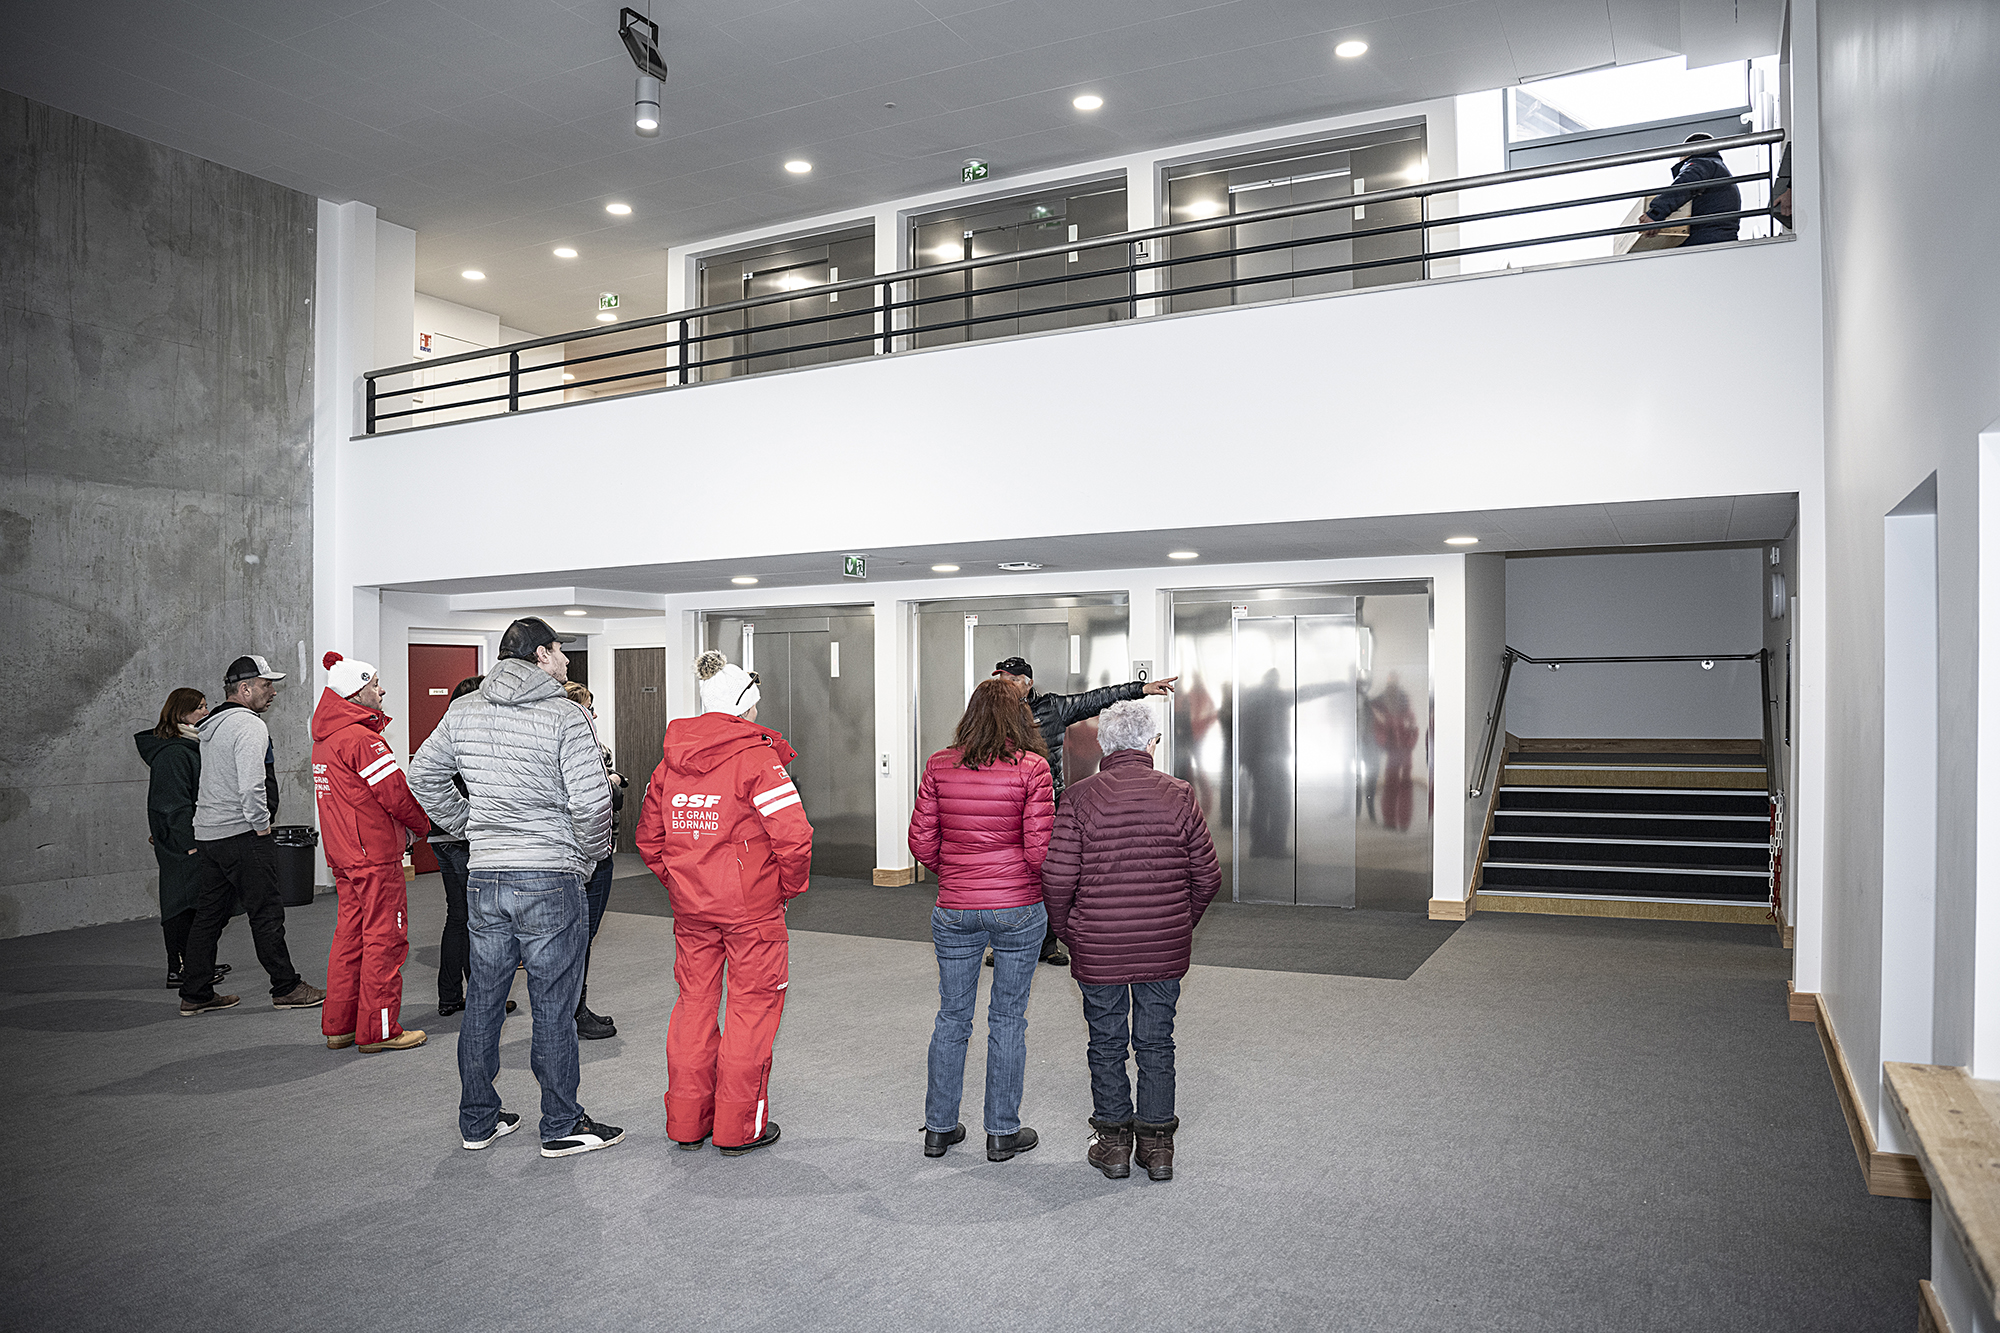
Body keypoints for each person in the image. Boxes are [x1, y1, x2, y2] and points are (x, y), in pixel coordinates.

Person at [410, 617, 619, 1157]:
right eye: (561, 651)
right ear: (542, 656)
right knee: (552, 1002)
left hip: (486, 876)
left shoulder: (464, 709)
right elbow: (594, 803)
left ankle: (477, 1120)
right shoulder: (565, 715)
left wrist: (465, 825)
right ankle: (561, 1124)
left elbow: (422, 775)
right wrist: (589, 854)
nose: (568, 661)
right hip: (549, 875)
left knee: (483, 998)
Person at [636, 651, 812, 1157]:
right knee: (752, 1010)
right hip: (751, 911)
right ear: (743, 707)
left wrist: (681, 882)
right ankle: (739, 1129)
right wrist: (785, 889)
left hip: (692, 910)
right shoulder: (757, 757)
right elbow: (794, 838)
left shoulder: (670, 760)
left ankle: (687, 1123)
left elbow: (649, 838)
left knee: (693, 1006)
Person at [1041, 699, 1220, 1182]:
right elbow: (1208, 877)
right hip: (1163, 944)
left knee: (1105, 1041)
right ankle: (1158, 1148)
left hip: (1098, 943)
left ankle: (1115, 1143)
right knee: (1156, 1042)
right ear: (1151, 743)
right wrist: (1180, 922)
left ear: (1104, 743)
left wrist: (1068, 930)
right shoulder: (1179, 794)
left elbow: (1057, 880)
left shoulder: (1078, 797)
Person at [907, 677, 1055, 1163]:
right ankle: (1001, 1133)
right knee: (1008, 1018)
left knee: (952, 1016)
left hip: (954, 908)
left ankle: (939, 1129)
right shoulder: (1033, 768)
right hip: (1018, 908)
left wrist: (955, 873)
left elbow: (921, 843)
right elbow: (1039, 851)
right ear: (1019, 716)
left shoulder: (939, 765)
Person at [991, 656, 1178, 965]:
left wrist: (1141, 688)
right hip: (1007, 806)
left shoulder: (1052, 708)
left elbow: (1097, 699)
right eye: (1002, 682)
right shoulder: (993, 715)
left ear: (1028, 683)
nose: (1006, 687)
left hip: (1047, 805)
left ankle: (1047, 945)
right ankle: (1005, 945)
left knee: (1052, 874)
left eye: (1012, 681)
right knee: (1010, 877)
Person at [176, 655, 325, 1017]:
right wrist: (261, 825)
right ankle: (286, 987)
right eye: (266, 684)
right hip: (241, 834)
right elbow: (251, 785)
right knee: (266, 912)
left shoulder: (213, 724)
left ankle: (195, 992)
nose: (272, 691)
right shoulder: (249, 726)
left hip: (210, 833)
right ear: (244, 689)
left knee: (210, 915)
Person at [313, 652, 435, 1053]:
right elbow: (395, 794)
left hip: (344, 856)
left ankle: (340, 1025)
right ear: (356, 692)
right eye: (374, 684)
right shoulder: (362, 739)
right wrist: (422, 825)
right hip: (374, 856)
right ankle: (380, 1029)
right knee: (386, 939)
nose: (381, 690)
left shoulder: (327, 739)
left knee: (350, 938)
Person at [135, 688, 230, 988]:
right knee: (181, 904)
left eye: (206, 706)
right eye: (199, 708)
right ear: (180, 714)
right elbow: (174, 804)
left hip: (190, 839)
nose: (206, 712)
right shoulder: (174, 753)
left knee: (199, 902)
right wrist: (189, 844)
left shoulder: (188, 746)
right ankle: (179, 969)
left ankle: (196, 962)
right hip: (185, 844)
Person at [564, 681, 627, 1041]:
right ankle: (572, 1012)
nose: (595, 714)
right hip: (588, 853)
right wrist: (614, 783)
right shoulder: (579, 746)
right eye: (589, 707)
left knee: (582, 938)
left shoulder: (590, 745)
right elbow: (597, 797)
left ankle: (576, 1008)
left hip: (595, 848)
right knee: (579, 937)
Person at [430, 675, 482, 1017]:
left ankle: (451, 995)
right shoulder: (469, 739)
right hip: (460, 841)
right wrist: (465, 823)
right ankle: (477, 997)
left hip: (441, 838)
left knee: (458, 918)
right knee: (473, 920)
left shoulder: (442, 736)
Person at [1637, 132, 1742, 247]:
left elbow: (1685, 184)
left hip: (1706, 239)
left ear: (1688, 151)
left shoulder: (1702, 163)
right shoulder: (1718, 169)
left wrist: (1655, 214)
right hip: (1720, 238)